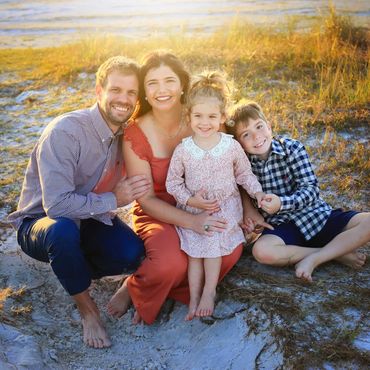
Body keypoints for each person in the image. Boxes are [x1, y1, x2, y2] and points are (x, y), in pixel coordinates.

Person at [7, 56, 151, 348]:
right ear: (99, 91)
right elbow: (57, 206)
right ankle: (88, 310)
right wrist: (114, 198)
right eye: (115, 90)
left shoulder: (128, 135)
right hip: (41, 223)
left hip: (90, 220)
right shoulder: (65, 132)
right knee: (62, 232)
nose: (123, 99)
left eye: (131, 93)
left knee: (131, 254)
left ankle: (71, 267)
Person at [106, 51, 244, 324]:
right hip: (159, 211)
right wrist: (192, 221)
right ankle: (135, 285)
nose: (162, 90)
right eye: (152, 83)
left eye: (169, 80)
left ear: (183, 84)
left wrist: (249, 210)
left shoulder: (203, 115)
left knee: (227, 254)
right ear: (144, 91)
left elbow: (237, 171)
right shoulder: (135, 133)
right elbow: (145, 199)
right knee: (171, 263)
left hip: (210, 205)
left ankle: (160, 282)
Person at [226, 100, 369, 282]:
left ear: (269, 127)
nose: (256, 136)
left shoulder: (292, 148)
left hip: (316, 217)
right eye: (246, 134)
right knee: (262, 252)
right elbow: (247, 198)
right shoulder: (244, 166)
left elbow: (311, 190)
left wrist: (281, 203)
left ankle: (316, 258)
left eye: (259, 127)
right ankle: (334, 253)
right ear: (239, 143)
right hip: (282, 227)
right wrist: (253, 221)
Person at [165, 71, 264, 320]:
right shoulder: (183, 150)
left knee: (210, 245)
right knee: (194, 256)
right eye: (198, 116)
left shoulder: (230, 146)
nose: (204, 122)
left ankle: (209, 292)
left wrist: (258, 192)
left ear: (222, 117)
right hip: (196, 210)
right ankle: (194, 297)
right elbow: (172, 182)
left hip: (225, 208)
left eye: (211, 116)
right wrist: (190, 200)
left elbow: (244, 174)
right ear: (189, 117)